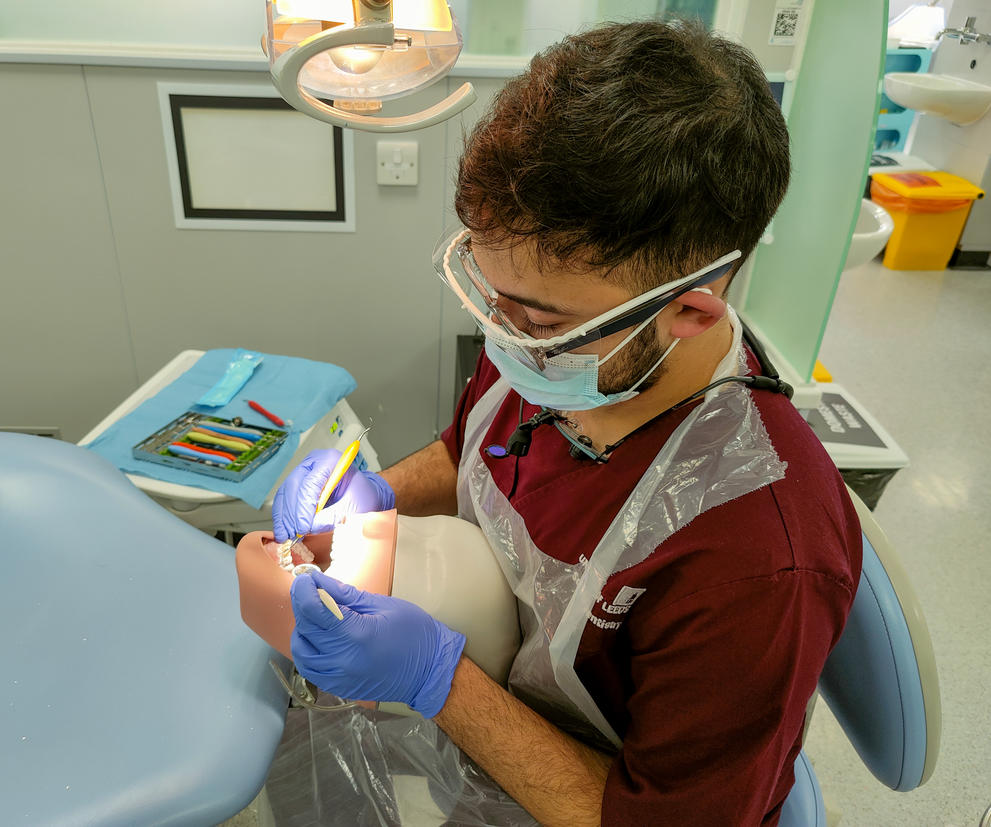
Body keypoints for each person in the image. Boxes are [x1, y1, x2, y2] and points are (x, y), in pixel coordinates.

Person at [265, 18, 861, 827]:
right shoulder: (565, 349)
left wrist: (437, 681)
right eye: (488, 289)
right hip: (493, 742)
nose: (501, 335)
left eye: (535, 319)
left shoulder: (755, 559)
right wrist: (367, 494)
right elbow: (472, 450)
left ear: (687, 311)